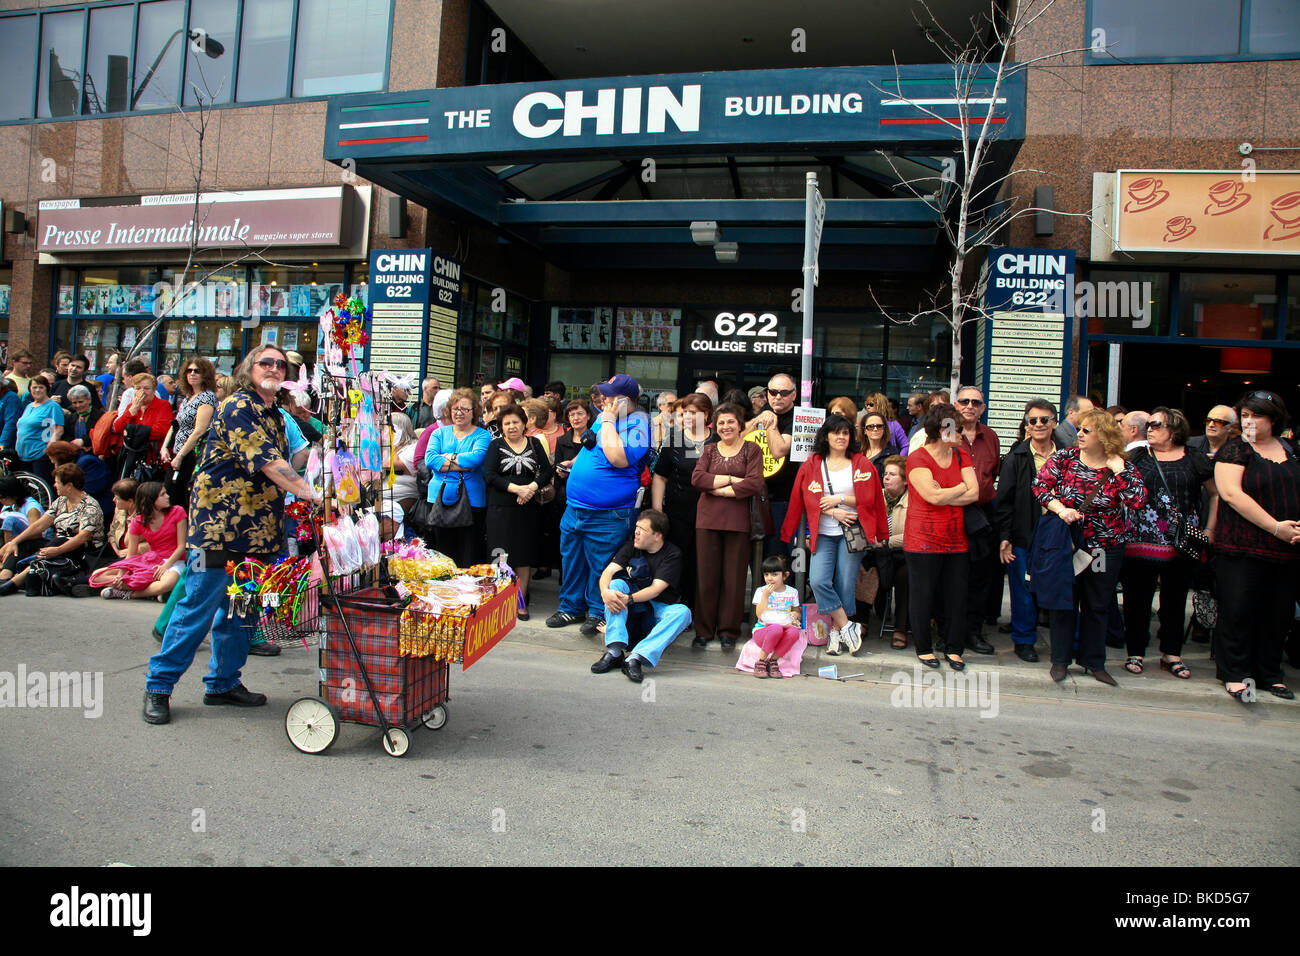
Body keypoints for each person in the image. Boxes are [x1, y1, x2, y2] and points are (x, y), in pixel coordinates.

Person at [142, 344, 320, 725]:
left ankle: (223, 683)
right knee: (198, 608)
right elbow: (270, 462)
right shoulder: (239, 406)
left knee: (240, 610)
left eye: (280, 363)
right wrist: (311, 493)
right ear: (248, 368)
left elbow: (288, 460)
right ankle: (158, 686)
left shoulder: (274, 412)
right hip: (219, 531)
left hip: (257, 534)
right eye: (265, 362)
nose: (273, 367)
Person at [1032, 408, 1147, 686]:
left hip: (1103, 548)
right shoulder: (1065, 458)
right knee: (1065, 602)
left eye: (1086, 430)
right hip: (1068, 545)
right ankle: (1060, 660)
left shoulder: (1122, 466)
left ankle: (1094, 662)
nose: (1079, 434)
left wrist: (1120, 472)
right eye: (1080, 429)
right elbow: (1039, 486)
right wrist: (1060, 509)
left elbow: (1138, 502)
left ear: (1104, 437)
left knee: (1097, 604)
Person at [1212, 390, 1300, 702]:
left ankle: (1269, 674)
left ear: (1274, 419)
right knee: (1238, 610)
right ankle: (1235, 674)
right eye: (1245, 415)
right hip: (1242, 546)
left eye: (1256, 415)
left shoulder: (1291, 449)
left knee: (1278, 614)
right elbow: (1232, 495)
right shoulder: (1235, 450)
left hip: (1286, 549)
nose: (1249, 421)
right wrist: (1275, 527)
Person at [547, 375, 651, 635]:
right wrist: (575, 464)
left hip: (608, 513)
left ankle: (596, 612)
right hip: (576, 507)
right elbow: (591, 446)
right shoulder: (606, 418)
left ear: (625, 400)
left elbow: (618, 458)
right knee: (572, 560)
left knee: (601, 563)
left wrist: (608, 421)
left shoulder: (639, 423)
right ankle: (570, 606)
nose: (603, 399)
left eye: (610, 396)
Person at [1121, 407, 1216, 679]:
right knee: (1137, 600)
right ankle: (1135, 652)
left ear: (1174, 430)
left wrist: (1210, 528)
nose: (1149, 428)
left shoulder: (1194, 458)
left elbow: (1215, 494)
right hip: (1140, 540)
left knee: (1174, 600)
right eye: (1148, 423)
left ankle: (1171, 654)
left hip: (1181, 541)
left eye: (1156, 424)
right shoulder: (1137, 456)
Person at [783, 413, 889, 655]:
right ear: (826, 436)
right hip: (824, 533)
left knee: (844, 583)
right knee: (819, 581)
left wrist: (839, 499)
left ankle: (834, 633)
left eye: (845, 432)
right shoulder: (813, 464)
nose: (841, 437)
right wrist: (833, 512)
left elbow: (871, 498)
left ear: (851, 436)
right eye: (835, 432)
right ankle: (846, 626)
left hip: (852, 534)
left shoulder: (862, 463)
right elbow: (807, 498)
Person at [905, 403, 979, 670]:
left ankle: (954, 647)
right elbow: (931, 496)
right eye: (958, 428)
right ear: (943, 429)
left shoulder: (961, 456)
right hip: (922, 539)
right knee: (923, 595)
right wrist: (959, 487)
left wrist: (947, 492)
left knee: (957, 596)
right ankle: (924, 647)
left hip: (956, 538)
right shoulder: (918, 457)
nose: (962, 433)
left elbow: (975, 493)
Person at [691, 401, 765, 650]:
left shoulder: (752, 450)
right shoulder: (710, 450)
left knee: (734, 579)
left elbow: (754, 483)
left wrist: (719, 491)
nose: (726, 426)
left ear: (740, 424)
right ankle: (704, 630)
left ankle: (728, 631)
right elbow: (698, 478)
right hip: (707, 520)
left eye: (730, 421)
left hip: (738, 521)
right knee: (706, 577)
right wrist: (733, 479)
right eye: (721, 422)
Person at [588, 509, 691, 683]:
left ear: (657, 536)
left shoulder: (672, 554)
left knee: (683, 613)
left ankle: (635, 658)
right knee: (615, 585)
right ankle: (614, 651)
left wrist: (629, 599)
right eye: (636, 527)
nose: (636, 532)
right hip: (631, 606)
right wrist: (605, 592)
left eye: (642, 530)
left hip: (657, 607)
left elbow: (655, 589)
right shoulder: (631, 546)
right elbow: (608, 572)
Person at [995, 400, 1062, 662]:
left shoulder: (1068, 456)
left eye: (1044, 419)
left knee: (1059, 590)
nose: (1038, 425)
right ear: (1026, 425)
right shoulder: (1017, 457)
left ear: (1054, 422)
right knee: (1023, 590)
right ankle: (1024, 640)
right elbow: (1004, 502)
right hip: (1024, 534)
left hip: (1058, 534)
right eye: (1032, 420)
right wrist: (1005, 538)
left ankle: (1063, 642)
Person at [483, 403, 553, 618]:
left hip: (527, 508)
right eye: (507, 423)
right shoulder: (495, 445)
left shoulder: (534, 443)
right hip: (500, 507)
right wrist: (517, 489)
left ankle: (520, 601)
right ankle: (500, 602)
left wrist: (531, 488)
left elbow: (547, 470)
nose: (512, 426)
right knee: (500, 555)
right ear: (501, 426)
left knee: (524, 556)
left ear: (524, 423)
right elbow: (490, 475)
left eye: (515, 422)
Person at [651, 392, 714, 614]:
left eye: (693, 413)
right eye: (685, 412)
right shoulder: (675, 438)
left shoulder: (716, 440)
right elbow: (660, 475)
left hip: (711, 513)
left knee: (704, 562)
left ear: (706, 415)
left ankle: (701, 611)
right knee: (678, 560)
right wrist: (658, 510)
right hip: (678, 513)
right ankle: (678, 608)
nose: (687, 417)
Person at [0, 463, 105, 597]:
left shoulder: (90, 506)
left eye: (57, 482)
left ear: (69, 486)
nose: (54, 485)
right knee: (23, 544)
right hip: (59, 544)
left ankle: (13, 583)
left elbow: (82, 537)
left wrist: (57, 550)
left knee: (58, 541)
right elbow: (39, 525)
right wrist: (14, 541)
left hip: (83, 551)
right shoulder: (61, 501)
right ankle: (4, 577)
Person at [954, 385, 1000, 655]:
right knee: (952, 575)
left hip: (983, 513)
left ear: (983, 408)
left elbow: (992, 473)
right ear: (956, 404)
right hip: (954, 510)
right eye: (964, 401)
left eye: (976, 402)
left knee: (980, 576)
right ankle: (949, 631)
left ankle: (974, 631)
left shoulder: (990, 436)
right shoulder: (948, 430)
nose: (970, 406)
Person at [424, 388, 491, 569]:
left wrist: (447, 458)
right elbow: (430, 459)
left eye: (465, 409)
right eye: (455, 409)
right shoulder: (438, 433)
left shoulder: (483, 435)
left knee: (468, 552)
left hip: (472, 500)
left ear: (474, 412)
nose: (459, 413)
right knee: (442, 553)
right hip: (439, 498)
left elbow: (476, 460)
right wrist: (462, 462)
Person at [88, 480, 186, 600]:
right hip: (150, 561)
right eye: (163, 494)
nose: (168, 496)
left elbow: (181, 547)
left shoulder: (177, 512)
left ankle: (129, 593)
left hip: (173, 562)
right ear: (151, 499)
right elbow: (131, 554)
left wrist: (165, 566)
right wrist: (121, 576)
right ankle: (147, 591)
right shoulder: (138, 520)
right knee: (96, 575)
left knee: (167, 583)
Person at [743, 372, 797, 558]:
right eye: (773, 392)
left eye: (784, 392)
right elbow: (736, 438)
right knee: (754, 554)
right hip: (755, 495)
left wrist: (771, 424)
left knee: (777, 554)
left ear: (794, 395)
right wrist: (760, 418)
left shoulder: (797, 418)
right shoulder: (763, 412)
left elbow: (779, 450)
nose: (778, 397)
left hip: (783, 498)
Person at [162, 356, 218, 506]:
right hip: (177, 452)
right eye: (189, 371)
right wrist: (164, 447)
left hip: (192, 454)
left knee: (181, 499)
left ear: (205, 374)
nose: (192, 374)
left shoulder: (207, 397)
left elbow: (199, 430)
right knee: (170, 496)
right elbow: (176, 424)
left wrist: (180, 456)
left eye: (197, 371)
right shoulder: (188, 397)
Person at [876, 456, 911, 648]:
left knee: (905, 576)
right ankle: (861, 620)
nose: (886, 478)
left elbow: (913, 534)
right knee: (864, 566)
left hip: (902, 551)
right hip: (877, 551)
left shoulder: (913, 499)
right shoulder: (877, 495)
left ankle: (900, 628)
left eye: (892, 474)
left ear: (905, 479)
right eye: (885, 474)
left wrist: (887, 541)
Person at [748, 555, 802, 678]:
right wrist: (766, 596)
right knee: (776, 628)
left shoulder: (792, 592)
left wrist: (795, 615)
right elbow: (760, 615)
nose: (769, 578)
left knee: (794, 632)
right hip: (763, 632)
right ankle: (760, 662)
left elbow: (797, 612)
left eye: (774, 574)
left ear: (785, 575)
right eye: (766, 575)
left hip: (784, 631)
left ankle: (772, 660)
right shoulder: (761, 591)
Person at [14, 376, 64, 485]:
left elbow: (58, 429)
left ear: (46, 388)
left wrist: (49, 449)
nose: (37, 390)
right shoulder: (28, 406)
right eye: (34, 387)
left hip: (39, 454)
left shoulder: (53, 407)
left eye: (41, 387)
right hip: (23, 455)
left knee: (41, 488)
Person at [0, 475, 45, 585]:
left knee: (10, 521)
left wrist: (13, 542)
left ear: (14, 495)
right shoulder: (9, 506)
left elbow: (36, 533)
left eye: (2, 497)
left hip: (36, 542)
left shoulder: (31, 507)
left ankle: (5, 574)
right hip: (18, 541)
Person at [859, 410, 898, 480]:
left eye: (879, 426)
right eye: (870, 426)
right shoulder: (856, 451)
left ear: (884, 429)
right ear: (864, 430)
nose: (875, 429)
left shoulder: (892, 453)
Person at [64, 385, 105, 450]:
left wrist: (83, 441)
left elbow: (100, 435)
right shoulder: (70, 418)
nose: (78, 405)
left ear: (89, 400)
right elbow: (66, 436)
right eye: (74, 403)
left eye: (81, 402)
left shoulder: (101, 416)